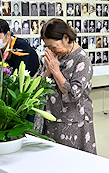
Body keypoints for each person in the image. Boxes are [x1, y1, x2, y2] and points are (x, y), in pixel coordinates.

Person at [33, 18, 96, 154]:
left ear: (66, 38)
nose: (52, 51)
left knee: (72, 163)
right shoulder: (56, 56)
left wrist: (56, 71)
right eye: (48, 47)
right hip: (52, 119)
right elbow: (37, 85)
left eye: (53, 47)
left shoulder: (82, 60)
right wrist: (48, 72)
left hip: (73, 123)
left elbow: (74, 94)